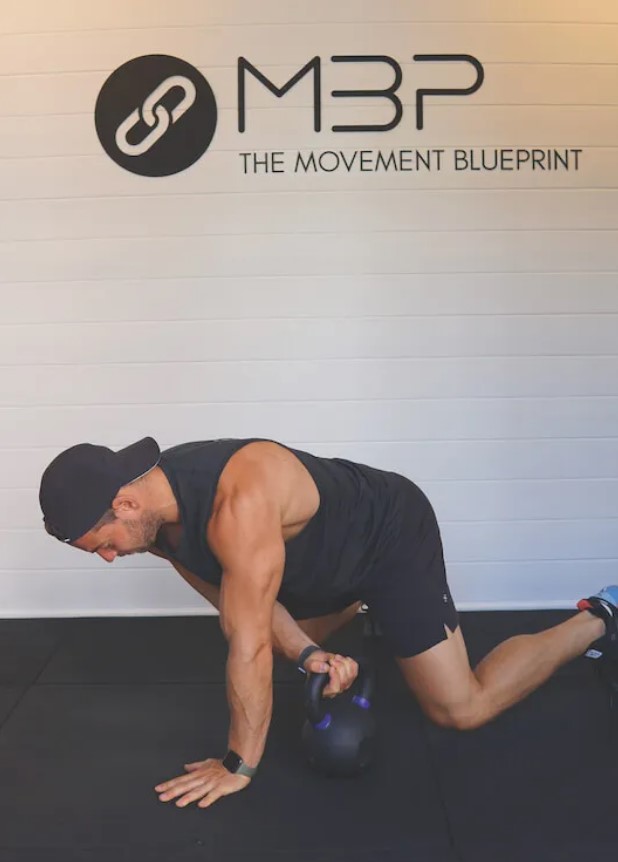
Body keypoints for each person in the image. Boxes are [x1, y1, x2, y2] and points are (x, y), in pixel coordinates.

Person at [39, 436, 618, 810]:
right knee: (290, 642)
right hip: (315, 567)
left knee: (460, 708)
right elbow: (238, 603)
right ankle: (365, 612)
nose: (110, 558)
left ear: (125, 504)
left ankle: (601, 615)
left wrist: (238, 764)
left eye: (103, 545)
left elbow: (248, 645)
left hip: (388, 537)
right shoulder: (157, 529)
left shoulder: (235, 500)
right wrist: (307, 655)